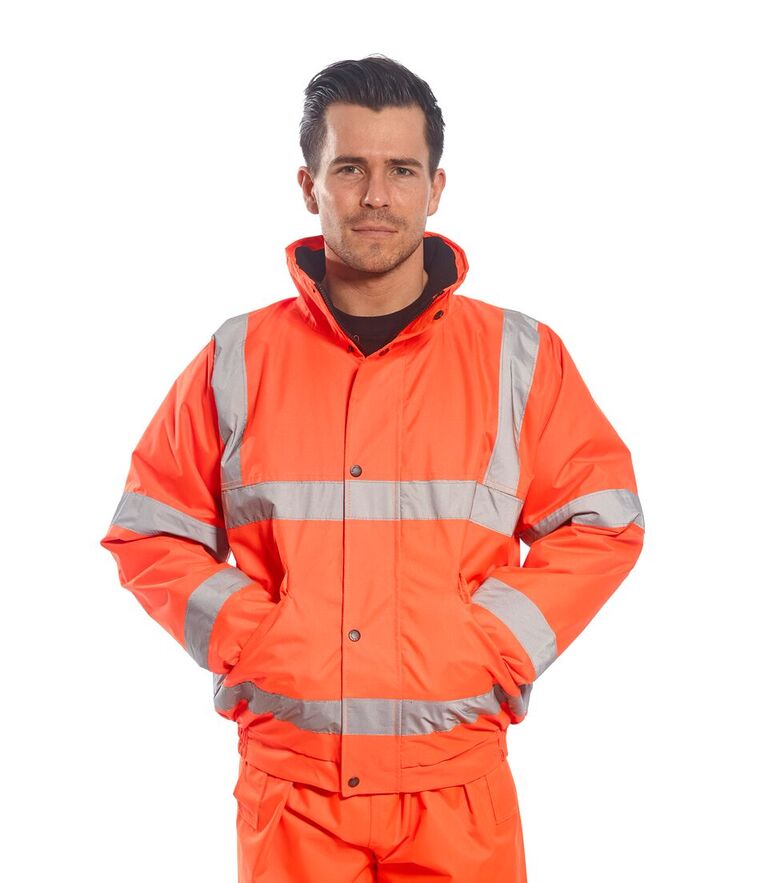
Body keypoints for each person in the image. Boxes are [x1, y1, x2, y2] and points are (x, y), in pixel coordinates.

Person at [99, 53, 645, 882]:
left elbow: (603, 521)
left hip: (457, 790)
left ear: (437, 187)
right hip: (294, 791)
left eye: (402, 170)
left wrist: (492, 644)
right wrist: (257, 642)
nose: (377, 196)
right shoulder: (238, 357)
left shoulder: (518, 356)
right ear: (309, 185)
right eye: (350, 168)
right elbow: (149, 531)